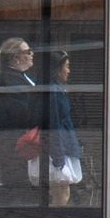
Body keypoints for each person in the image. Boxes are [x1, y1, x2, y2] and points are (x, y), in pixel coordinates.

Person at [0, 36, 44, 198]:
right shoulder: (9, 79)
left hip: (18, 143)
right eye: (28, 51)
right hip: (14, 145)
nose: (32, 54)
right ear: (16, 56)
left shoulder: (18, 76)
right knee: (18, 188)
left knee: (20, 187)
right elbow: (21, 112)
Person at [43, 50, 85, 207]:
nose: (69, 71)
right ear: (58, 69)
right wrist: (58, 155)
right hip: (59, 149)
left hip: (61, 147)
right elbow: (53, 124)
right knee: (61, 194)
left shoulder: (57, 89)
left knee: (61, 192)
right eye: (66, 66)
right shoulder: (53, 90)